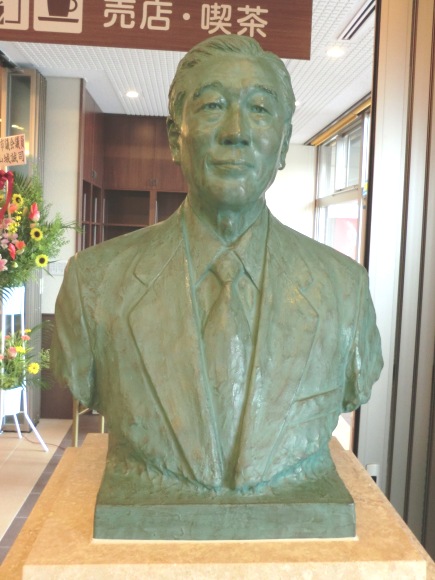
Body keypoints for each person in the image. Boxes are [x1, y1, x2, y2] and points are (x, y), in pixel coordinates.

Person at [52, 35, 383, 538]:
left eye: (259, 110)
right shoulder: (94, 283)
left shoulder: (344, 289)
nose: (236, 132)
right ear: (175, 138)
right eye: (212, 106)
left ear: (283, 144)